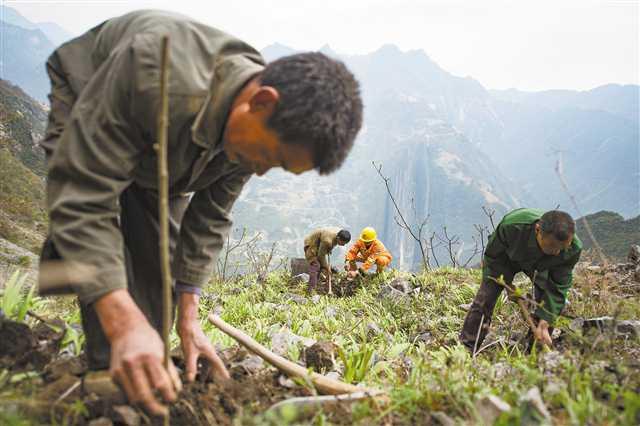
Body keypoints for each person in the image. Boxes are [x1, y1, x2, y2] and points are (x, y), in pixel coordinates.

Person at [39, 10, 363, 415]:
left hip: (173, 145)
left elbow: (209, 218)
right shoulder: (154, 76)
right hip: (93, 89)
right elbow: (84, 186)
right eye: (269, 156)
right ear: (262, 102)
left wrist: (188, 318)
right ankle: (104, 375)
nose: (260, 169)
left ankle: (133, 359)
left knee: (156, 290)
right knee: (99, 230)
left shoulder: (256, 126)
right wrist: (121, 320)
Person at [459, 209, 582, 351]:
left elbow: (558, 287)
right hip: (507, 259)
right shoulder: (512, 227)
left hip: (544, 266)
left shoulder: (572, 248)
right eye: (552, 246)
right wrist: (506, 283)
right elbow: (494, 258)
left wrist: (546, 319)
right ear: (537, 230)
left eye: (563, 248)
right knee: (486, 297)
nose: (557, 252)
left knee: (546, 305)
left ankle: (534, 353)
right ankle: (466, 348)